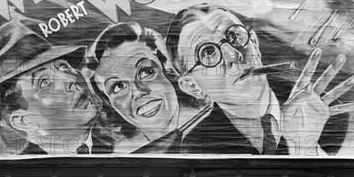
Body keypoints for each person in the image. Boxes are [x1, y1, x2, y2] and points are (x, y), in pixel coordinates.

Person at [166, 5, 354, 155]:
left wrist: (305, 146)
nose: (234, 55)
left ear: (255, 44)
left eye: (234, 36)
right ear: (193, 87)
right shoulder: (198, 145)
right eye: (208, 52)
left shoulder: (325, 114)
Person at [86, 21, 249, 154]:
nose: (138, 91)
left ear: (165, 65)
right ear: (108, 101)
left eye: (146, 71)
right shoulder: (121, 154)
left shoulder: (217, 121)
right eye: (118, 86)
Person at [0, 21, 114, 155]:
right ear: (24, 121)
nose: (70, 78)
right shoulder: (26, 171)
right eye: (44, 82)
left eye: (63, 66)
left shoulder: (118, 141)